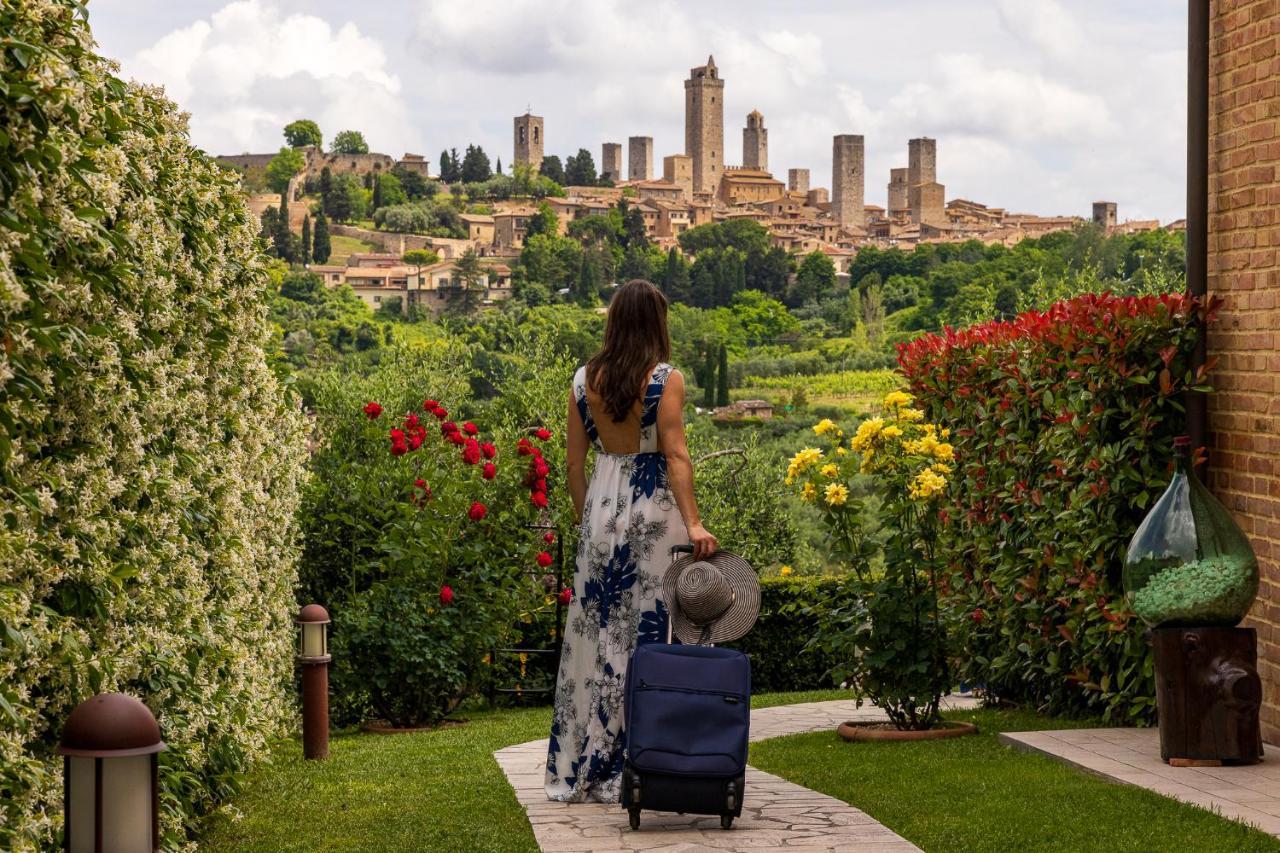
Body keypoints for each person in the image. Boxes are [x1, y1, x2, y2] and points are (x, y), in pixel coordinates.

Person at [544, 279, 717, 804]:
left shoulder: (582, 380)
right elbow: (676, 457)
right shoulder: (666, 380)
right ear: (656, 323)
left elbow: (574, 464)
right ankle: (646, 758)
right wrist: (694, 524)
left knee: (596, 637)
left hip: (600, 513)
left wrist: (587, 523)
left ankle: (584, 763)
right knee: (650, 633)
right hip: (652, 516)